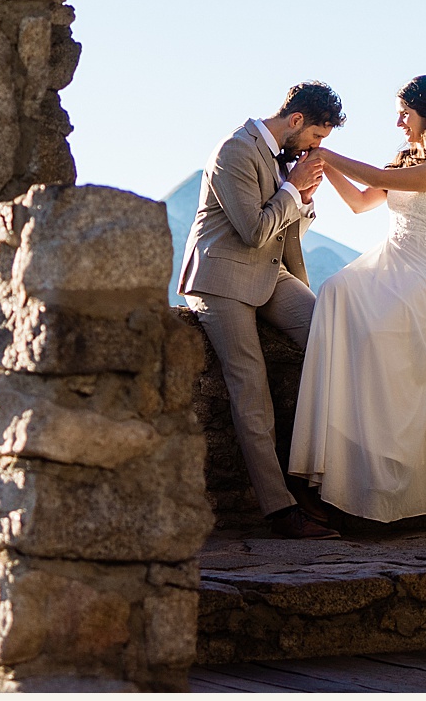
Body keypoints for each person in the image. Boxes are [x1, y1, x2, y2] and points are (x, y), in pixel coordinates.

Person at [287, 75, 426, 524]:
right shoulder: (404, 160)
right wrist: (324, 167)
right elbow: (359, 202)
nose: (399, 123)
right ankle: (334, 468)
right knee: (334, 291)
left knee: (380, 328)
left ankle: (385, 475)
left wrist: (327, 152)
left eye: (404, 114)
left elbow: (374, 178)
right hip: (392, 260)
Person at [177, 81, 345, 539]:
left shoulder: (280, 157)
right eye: (316, 138)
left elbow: (282, 233)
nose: (315, 149)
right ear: (295, 121)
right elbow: (253, 230)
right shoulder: (235, 150)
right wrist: (292, 189)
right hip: (221, 276)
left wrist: (304, 199)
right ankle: (279, 509)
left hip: (270, 273)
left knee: (331, 337)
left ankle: (313, 476)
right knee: (250, 387)